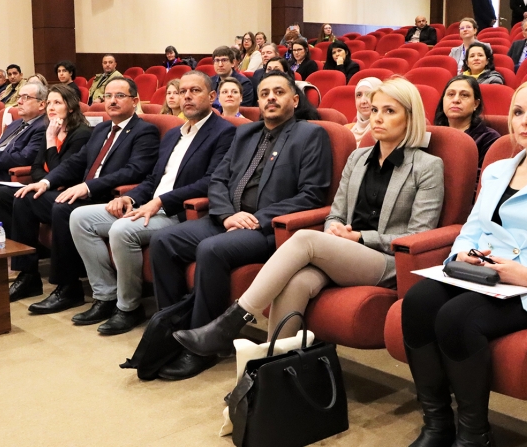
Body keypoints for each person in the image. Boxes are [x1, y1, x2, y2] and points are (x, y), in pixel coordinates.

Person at [172, 77, 444, 365]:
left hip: (386, 261)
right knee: (296, 283)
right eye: (375, 110)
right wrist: (334, 229)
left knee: (304, 238)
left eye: (389, 111)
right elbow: (335, 212)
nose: (377, 118)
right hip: (344, 252)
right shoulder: (358, 158)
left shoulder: (427, 166)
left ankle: (231, 322)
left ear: (410, 117)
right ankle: (270, 371)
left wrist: (360, 238)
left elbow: (419, 234)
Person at [400, 79, 527, 447]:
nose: (525, 120)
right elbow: (471, 229)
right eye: (518, 112)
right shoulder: (497, 169)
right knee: (416, 303)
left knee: (456, 318)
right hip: (483, 273)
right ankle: (437, 423)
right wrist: (461, 254)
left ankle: (474, 435)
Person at [148, 70, 332, 379]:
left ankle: (204, 347)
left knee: (211, 250)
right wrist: (225, 215)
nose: (270, 98)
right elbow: (218, 179)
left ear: (294, 100)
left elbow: (311, 195)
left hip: (269, 229)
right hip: (228, 218)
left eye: (279, 92)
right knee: (163, 241)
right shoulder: (245, 133)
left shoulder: (310, 135)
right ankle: (174, 330)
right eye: (264, 94)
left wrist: (258, 219)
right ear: (257, 101)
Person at [69, 72, 236, 334]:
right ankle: (105, 296)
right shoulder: (174, 133)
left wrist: (160, 201)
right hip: (149, 204)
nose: (187, 96)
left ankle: (128, 307)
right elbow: (153, 178)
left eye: (195, 91)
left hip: (181, 212)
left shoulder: (224, 132)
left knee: (122, 230)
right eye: (182, 91)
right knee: (80, 218)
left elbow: (211, 181)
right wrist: (130, 197)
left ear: (212, 96)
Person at [8, 77, 159, 314]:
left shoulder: (144, 131)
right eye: (108, 96)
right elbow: (76, 162)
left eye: (120, 96)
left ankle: (68, 287)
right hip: (84, 193)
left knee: (62, 209)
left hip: (107, 197)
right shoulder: (101, 129)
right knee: (26, 198)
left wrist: (88, 187)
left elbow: (134, 171)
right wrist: (45, 182)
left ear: (135, 100)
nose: (112, 101)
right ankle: (28, 275)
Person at [0, 84, 93, 238]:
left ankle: (20, 249)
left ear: (70, 108)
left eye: (57, 103)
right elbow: (36, 167)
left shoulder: (80, 134)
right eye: (49, 103)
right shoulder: (50, 128)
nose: (51, 107)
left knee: (7, 196)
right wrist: (45, 181)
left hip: (64, 189)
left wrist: (51, 140)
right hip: (44, 184)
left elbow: (61, 171)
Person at [434, 75, 500, 168]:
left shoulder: (489, 139)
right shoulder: (434, 135)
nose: (456, 100)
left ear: (475, 104)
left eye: (464, 95)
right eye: (451, 94)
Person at [344, 77, 382, 147]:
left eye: (369, 94)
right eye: (359, 95)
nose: (363, 101)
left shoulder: (383, 131)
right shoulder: (346, 129)